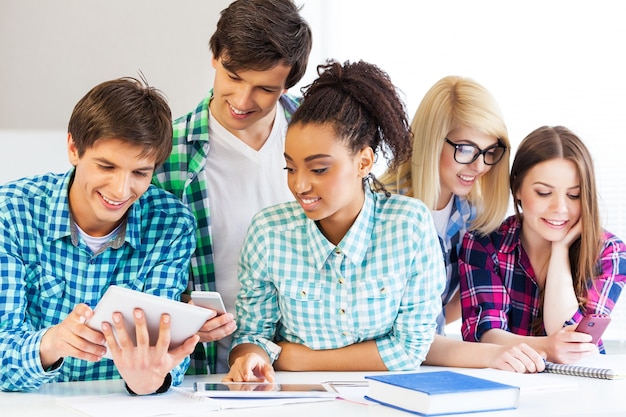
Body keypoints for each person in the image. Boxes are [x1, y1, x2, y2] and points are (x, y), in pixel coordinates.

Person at [224, 60, 544, 384]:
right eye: (290, 168)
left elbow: (410, 349)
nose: (299, 185)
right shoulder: (268, 233)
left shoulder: (409, 224)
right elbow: (253, 337)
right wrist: (253, 356)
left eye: (318, 169)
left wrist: (297, 358)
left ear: (363, 161)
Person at [0, 77, 198, 393]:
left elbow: (165, 351)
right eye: (106, 166)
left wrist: (149, 380)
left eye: (139, 173)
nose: (120, 190)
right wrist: (52, 343)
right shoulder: (9, 212)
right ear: (73, 149)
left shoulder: (172, 224)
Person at [152, 0, 313, 374]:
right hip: (204, 370)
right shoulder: (167, 154)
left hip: (305, 363)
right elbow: (139, 274)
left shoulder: (323, 139)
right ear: (215, 56)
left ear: (288, 83)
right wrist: (182, 309)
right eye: (234, 77)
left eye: (265, 89)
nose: (242, 101)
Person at [459, 125, 626, 364]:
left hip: (582, 387)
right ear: (517, 188)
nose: (560, 208)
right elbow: (485, 335)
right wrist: (546, 347)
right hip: (507, 381)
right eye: (544, 193)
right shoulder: (484, 244)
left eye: (574, 195)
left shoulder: (609, 252)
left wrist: (560, 250)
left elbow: (574, 344)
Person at [380, 75, 511, 334]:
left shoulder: (472, 217)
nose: (480, 165)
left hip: (427, 358)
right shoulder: (380, 207)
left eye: (489, 152)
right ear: (432, 141)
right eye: (465, 149)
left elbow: (462, 300)